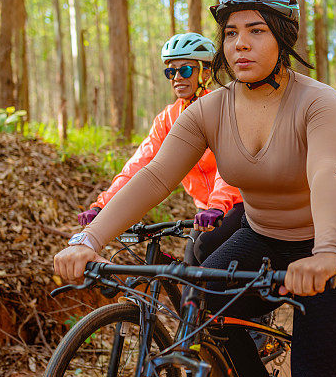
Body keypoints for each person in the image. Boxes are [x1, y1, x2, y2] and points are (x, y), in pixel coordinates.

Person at [53, 0, 336, 377]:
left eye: (256, 31)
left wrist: (326, 252)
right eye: (230, 33)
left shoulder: (319, 103)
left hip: (332, 244)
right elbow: (155, 175)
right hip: (259, 234)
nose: (240, 44)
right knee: (202, 307)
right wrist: (89, 238)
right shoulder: (209, 110)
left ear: (283, 37)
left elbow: (326, 176)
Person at [75, 32, 243, 264]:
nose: (176, 77)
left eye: (185, 70)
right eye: (170, 72)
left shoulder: (221, 107)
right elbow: (139, 164)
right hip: (207, 211)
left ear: (205, 72)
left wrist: (217, 205)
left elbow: (231, 166)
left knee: (203, 250)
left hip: (238, 203)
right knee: (190, 269)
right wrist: (103, 205)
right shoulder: (168, 118)